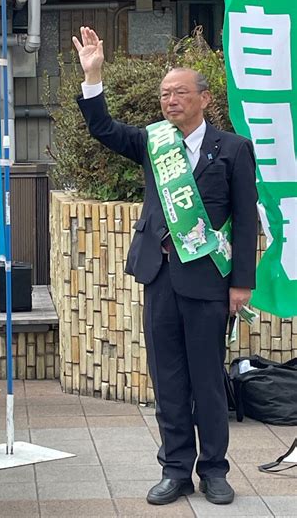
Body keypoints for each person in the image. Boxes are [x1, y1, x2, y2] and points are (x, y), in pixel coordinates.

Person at [73, 27, 257, 506]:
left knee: (207, 379)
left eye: (179, 92)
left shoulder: (233, 149)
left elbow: (243, 222)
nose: (170, 100)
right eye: (164, 94)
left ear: (203, 97)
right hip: (160, 278)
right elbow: (104, 129)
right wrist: (93, 77)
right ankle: (175, 469)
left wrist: (241, 284)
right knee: (168, 377)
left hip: (209, 281)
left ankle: (213, 470)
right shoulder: (154, 143)